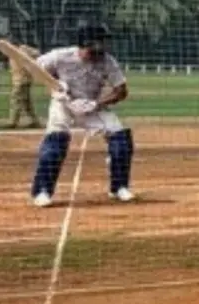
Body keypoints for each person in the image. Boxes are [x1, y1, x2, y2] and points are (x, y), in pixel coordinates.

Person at [30, 22, 136, 208]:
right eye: (100, 42)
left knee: (121, 138)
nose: (104, 47)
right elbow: (34, 70)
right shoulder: (59, 56)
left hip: (90, 106)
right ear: (86, 43)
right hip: (63, 104)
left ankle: (119, 187)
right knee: (56, 142)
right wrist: (55, 87)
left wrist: (96, 104)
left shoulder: (108, 61)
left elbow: (121, 91)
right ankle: (42, 191)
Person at [7, 44, 43, 129]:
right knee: (26, 102)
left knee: (15, 100)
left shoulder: (22, 49)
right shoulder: (10, 52)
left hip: (21, 80)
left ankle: (13, 122)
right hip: (21, 80)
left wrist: (26, 57)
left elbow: (38, 53)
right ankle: (34, 121)